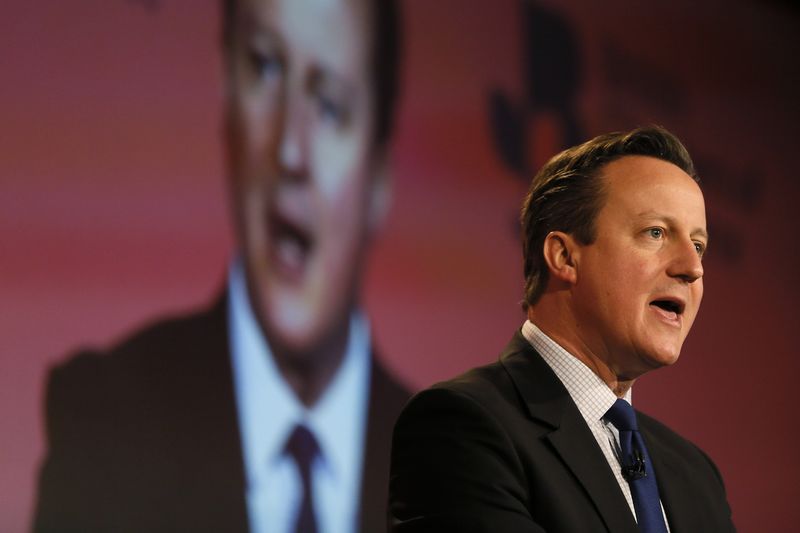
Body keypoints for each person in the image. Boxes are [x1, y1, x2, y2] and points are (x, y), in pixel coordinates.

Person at [33, 0, 408, 532]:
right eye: (265, 68)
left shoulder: (457, 472)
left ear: (380, 178)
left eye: (329, 105)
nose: (289, 150)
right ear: (226, 98)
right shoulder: (106, 425)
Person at [389, 127, 736, 532]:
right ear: (564, 256)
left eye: (698, 246)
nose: (692, 268)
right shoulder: (462, 427)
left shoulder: (696, 475)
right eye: (655, 233)